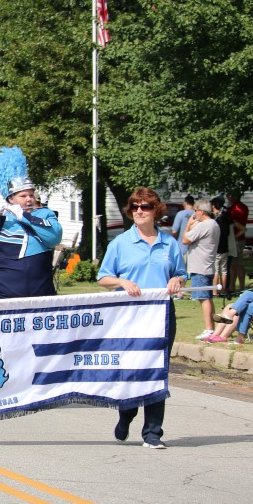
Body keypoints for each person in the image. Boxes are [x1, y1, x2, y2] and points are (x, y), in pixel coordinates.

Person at [97, 187, 185, 449]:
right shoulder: (120, 243)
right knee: (133, 369)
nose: (139, 211)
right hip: (129, 315)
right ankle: (127, 414)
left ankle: (153, 433)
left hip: (161, 314)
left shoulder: (169, 243)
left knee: (157, 370)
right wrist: (121, 282)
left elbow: (181, 273)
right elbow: (103, 277)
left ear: (155, 210)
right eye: (135, 206)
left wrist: (177, 279)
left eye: (145, 206)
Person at [0, 147, 63, 300]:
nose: (29, 199)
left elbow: (54, 237)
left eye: (31, 195)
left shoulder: (45, 214)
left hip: (39, 291)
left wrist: (26, 217)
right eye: (23, 196)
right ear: (10, 198)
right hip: (0, 292)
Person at [182, 199, 219, 340]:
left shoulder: (204, 225)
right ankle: (212, 329)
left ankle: (209, 329)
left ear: (202, 211)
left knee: (203, 298)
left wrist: (188, 224)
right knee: (207, 298)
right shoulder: (214, 224)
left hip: (200, 267)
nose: (194, 213)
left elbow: (185, 240)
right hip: (207, 266)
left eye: (196, 210)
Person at [170, 195, 195, 260]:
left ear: (185, 203)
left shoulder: (181, 214)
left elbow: (174, 231)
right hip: (194, 249)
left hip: (182, 247)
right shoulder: (196, 214)